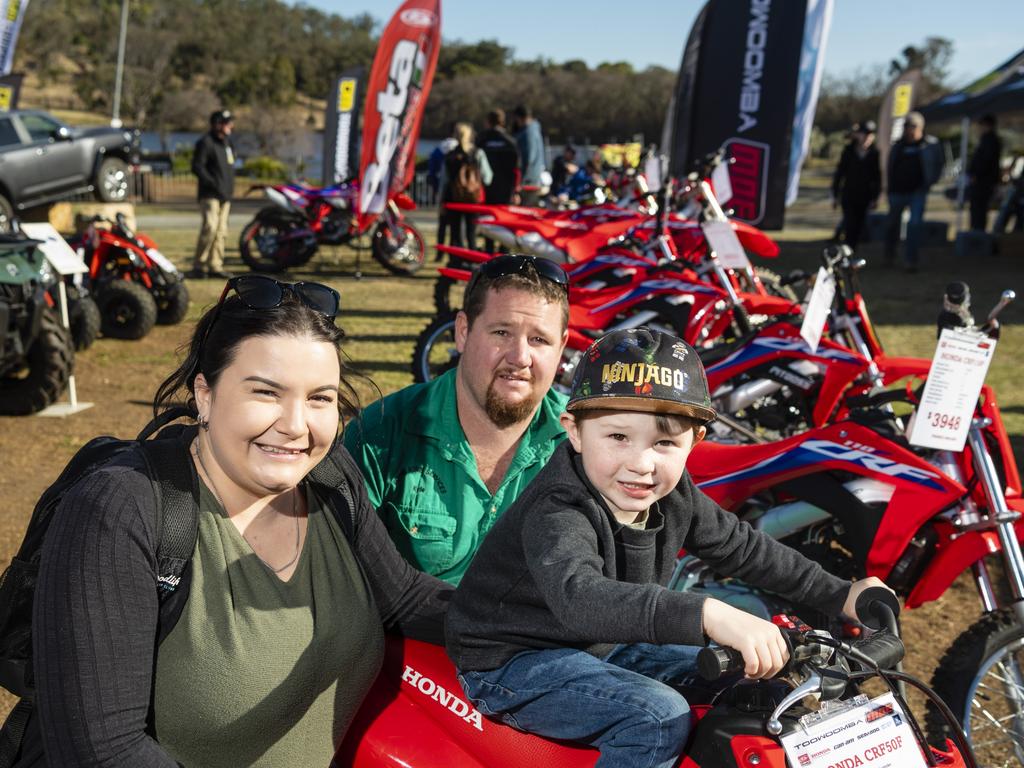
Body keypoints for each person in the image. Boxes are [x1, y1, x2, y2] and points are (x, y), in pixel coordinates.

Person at [19, 275, 451, 767]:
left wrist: (540, 619)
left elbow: (406, 598)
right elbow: (101, 752)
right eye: (267, 392)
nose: (295, 426)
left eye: (320, 398)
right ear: (205, 393)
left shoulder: (332, 479)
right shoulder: (119, 512)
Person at [446, 327, 894, 768]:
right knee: (656, 718)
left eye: (664, 443)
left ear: (694, 442)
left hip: (601, 643)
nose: (641, 463)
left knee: (750, 689)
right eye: (618, 437)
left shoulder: (675, 495)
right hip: (512, 660)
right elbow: (581, 598)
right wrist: (708, 613)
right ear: (576, 432)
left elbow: (745, 548)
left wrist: (840, 594)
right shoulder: (560, 508)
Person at [344, 254, 570, 585]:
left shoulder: (588, 441)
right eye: (502, 332)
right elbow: (347, 582)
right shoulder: (381, 433)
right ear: (462, 332)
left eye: (539, 339)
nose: (520, 357)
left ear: (561, 347)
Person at [884, 111, 944, 273]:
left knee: (915, 226)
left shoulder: (930, 145)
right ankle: (889, 255)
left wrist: (929, 183)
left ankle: (911, 260)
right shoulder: (898, 146)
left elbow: (939, 165)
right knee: (892, 224)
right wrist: (888, 188)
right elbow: (890, 168)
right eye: (906, 126)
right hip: (897, 192)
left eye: (913, 126)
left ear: (921, 128)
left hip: (918, 192)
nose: (909, 130)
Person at [189, 109, 236, 279]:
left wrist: (228, 189)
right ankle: (199, 266)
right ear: (217, 124)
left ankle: (215, 265)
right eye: (226, 122)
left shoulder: (227, 143)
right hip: (210, 194)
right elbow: (197, 166)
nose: (230, 125)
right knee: (210, 227)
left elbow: (231, 165)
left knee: (222, 231)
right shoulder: (205, 142)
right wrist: (213, 183)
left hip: (225, 195)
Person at [438, 122, 494, 249]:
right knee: (471, 233)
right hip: (473, 199)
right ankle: (472, 260)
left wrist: (441, 201)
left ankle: (456, 261)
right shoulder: (478, 153)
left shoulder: (450, 155)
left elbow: (444, 181)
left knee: (455, 233)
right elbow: (488, 177)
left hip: (453, 198)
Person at [830, 120, 881, 249]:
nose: (866, 138)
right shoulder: (848, 151)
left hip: (865, 196)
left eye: (870, 134)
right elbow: (840, 173)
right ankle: (847, 250)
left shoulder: (875, 154)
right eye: (864, 134)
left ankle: (852, 252)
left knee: (859, 226)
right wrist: (835, 195)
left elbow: (877, 177)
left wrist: (875, 198)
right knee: (849, 223)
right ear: (858, 135)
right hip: (849, 195)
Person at [967, 113, 1002, 232]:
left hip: (983, 183)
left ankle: (978, 236)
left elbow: (985, 162)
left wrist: (976, 175)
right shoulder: (987, 139)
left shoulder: (990, 140)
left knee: (979, 211)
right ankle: (977, 234)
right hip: (983, 181)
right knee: (978, 211)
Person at [427, 126, 458, 256]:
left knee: (442, 224)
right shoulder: (460, 149)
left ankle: (440, 253)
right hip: (457, 193)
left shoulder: (438, 149)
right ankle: (453, 253)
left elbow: (432, 171)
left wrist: (435, 189)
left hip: (442, 191)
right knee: (454, 226)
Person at [479, 109, 520, 205]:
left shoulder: (481, 140)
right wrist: (516, 191)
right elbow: (517, 170)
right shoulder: (511, 142)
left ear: (488, 121)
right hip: (506, 189)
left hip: (486, 189)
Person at [513, 105, 547, 206]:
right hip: (534, 180)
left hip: (528, 183)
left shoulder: (528, 133)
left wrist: (520, 181)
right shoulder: (535, 130)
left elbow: (528, 159)